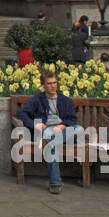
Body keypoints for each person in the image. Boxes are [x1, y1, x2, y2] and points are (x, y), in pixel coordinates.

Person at [15, 66, 83, 194]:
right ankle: (55, 184)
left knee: (79, 129)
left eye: (54, 83)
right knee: (50, 141)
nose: (52, 86)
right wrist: (35, 125)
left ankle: (49, 142)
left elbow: (72, 119)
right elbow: (21, 114)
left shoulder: (65, 100)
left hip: (63, 131)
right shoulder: (38, 99)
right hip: (47, 131)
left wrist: (62, 126)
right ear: (43, 85)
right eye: (49, 83)